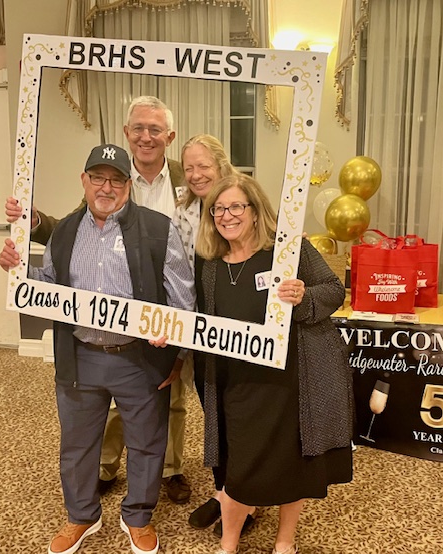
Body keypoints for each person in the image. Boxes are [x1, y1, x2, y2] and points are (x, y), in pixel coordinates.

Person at [0, 144, 196, 554]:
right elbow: (50, 284)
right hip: (80, 356)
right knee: (77, 444)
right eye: (98, 178)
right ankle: (82, 516)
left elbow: (183, 297)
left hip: (139, 360)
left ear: (128, 185)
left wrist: (176, 352)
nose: (107, 187)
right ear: (84, 181)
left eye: (116, 180)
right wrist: (19, 270)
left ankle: (137, 517)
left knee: (147, 444)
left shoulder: (158, 228)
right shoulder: (66, 230)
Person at [195, 173, 354, 554]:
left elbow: (334, 290)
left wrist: (304, 296)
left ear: (255, 210)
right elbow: (196, 319)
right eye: (218, 209)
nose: (227, 216)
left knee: (291, 464)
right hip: (236, 383)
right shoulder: (210, 265)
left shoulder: (289, 251)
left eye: (236, 206)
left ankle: (285, 542)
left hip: (290, 380)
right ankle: (228, 545)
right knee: (236, 466)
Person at [171, 135, 258, 535]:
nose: (195, 174)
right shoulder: (182, 212)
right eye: (189, 167)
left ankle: (248, 500)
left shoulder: (243, 202)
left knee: (245, 419)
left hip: (243, 329)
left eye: (203, 165)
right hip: (203, 332)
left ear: (221, 165)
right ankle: (225, 494)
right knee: (216, 419)